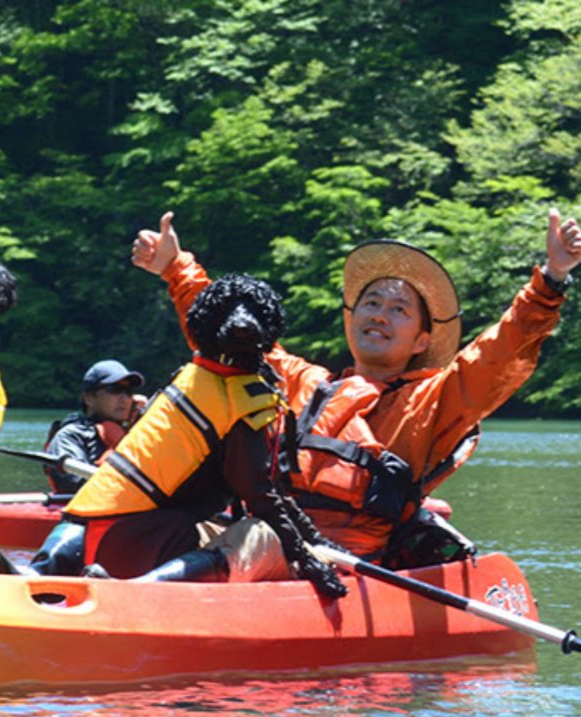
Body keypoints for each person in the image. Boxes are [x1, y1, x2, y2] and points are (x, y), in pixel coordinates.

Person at [132, 208, 581, 566]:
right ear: (352, 320)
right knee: (156, 525)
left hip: (343, 560)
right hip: (266, 539)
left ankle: (156, 595)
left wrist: (551, 282)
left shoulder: (431, 402)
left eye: (399, 309)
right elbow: (223, 334)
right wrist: (175, 267)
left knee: (257, 537)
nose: (380, 315)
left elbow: (500, 354)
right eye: (371, 303)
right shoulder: (301, 381)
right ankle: (113, 592)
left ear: (423, 340)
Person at [60, 275, 346, 598]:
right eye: (229, 312)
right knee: (260, 532)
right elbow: (261, 500)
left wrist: (319, 543)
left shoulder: (198, 383)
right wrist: (309, 562)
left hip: (112, 536)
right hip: (138, 543)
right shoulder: (235, 402)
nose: (241, 321)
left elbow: (270, 492)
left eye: (250, 310)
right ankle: (137, 591)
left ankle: (51, 570)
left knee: (238, 526)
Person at [44, 359, 146, 495]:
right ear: (89, 398)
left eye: (128, 391)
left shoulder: (138, 433)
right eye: (115, 390)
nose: (124, 398)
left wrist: (143, 424)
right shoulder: (70, 435)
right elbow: (71, 485)